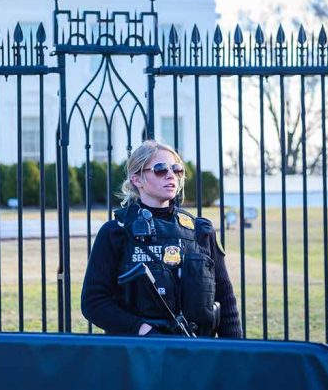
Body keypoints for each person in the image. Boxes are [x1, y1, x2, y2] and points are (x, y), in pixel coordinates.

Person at [81, 139, 242, 338]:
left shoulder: (201, 230)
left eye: (176, 169)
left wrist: (235, 353)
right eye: (160, 169)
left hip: (197, 351)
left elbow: (226, 302)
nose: (171, 175)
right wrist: (141, 329)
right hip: (137, 354)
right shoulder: (115, 232)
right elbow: (93, 302)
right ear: (136, 179)